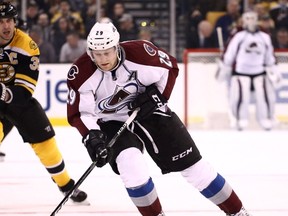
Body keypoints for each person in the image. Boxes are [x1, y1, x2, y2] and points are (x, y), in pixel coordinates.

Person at [66, 21, 252, 216]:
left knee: (193, 167)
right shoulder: (81, 72)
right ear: (90, 52)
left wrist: (157, 97)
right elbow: (81, 113)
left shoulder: (141, 53)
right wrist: (92, 138)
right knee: (131, 164)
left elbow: (170, 68)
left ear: (117, 46)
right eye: (97, 53)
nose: (103, 59)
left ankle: (238, 212)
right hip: (109, 121)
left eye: (107, 52)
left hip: (148, 111)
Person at [0, 2, 88, 203]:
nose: (6, 26)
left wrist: (2, 91)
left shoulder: (27, 46)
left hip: (19, 102)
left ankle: (66, 186)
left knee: (46, 143)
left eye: (9, 21)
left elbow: (23, 93)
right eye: (1, 22)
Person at [217, 11, 282, 131]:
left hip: (260, 72)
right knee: (240, 98)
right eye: (248, 18)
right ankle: (240, 120)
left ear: (257, 19)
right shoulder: (238, 36)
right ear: (243, 20)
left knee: (266, 98)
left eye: (253, 18)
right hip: (241, 73)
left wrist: (275, 71)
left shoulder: (264, 36)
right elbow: (229, 54)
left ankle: (266, 119)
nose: (250, 20)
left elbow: (270, 57)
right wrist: (223, 69)